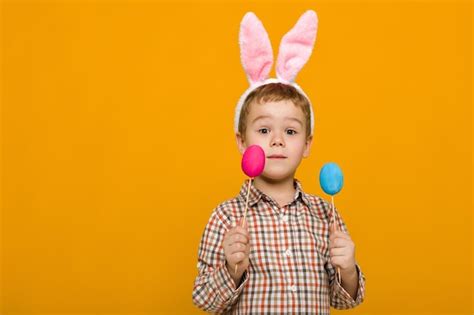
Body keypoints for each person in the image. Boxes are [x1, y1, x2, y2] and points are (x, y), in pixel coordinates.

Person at [192, 10, 366, 314]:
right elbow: (204, 301)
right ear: (241, 142)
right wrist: (232, 271)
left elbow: (344, 300)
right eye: (263, 130)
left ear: (307, 144)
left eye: (290, 131)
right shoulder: (225, 218)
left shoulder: (326, 216)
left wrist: (348, 270)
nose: (277, 140)